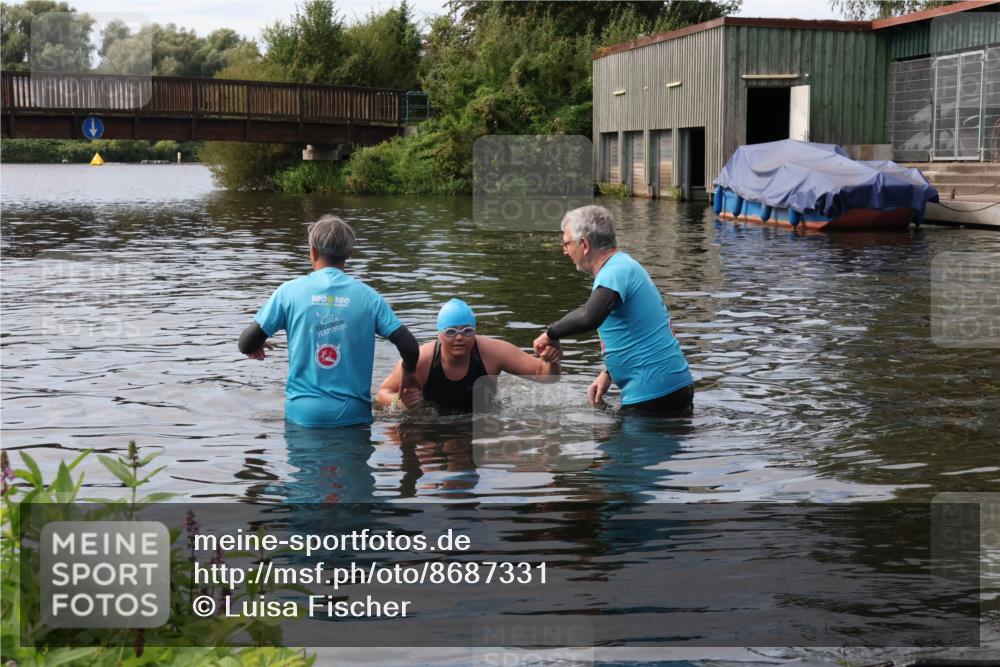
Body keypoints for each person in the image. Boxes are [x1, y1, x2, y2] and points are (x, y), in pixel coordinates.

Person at [238, 215, 419, 427]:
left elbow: (246, 344)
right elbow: (409, 345)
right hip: (353, 416)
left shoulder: (288, 292)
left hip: (304, 416)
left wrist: (256, 343)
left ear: (313, 252)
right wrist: (408, 372)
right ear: (349, 254)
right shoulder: (369, 297)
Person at [532, 205, 694, 416]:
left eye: (567, 244)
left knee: (612, 446)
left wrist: (550, 333)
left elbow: (590, 317)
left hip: (654, 392)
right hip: (666, 386)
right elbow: (639, 328)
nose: (565, 251)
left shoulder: (615, 272)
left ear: (585, 244)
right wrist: (608, 372)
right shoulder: (622, 266)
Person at [376, 298, 561, 413]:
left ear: (475, 331)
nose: (459, 338)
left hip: (482, 417)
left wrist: (550, 361)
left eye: (467, 331)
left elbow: (546, 376)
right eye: (450, 332)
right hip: (435, 419)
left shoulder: (493, 352)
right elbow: (382, 393)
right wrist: (399, 403)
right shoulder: (422, 359)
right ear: (439, 334)